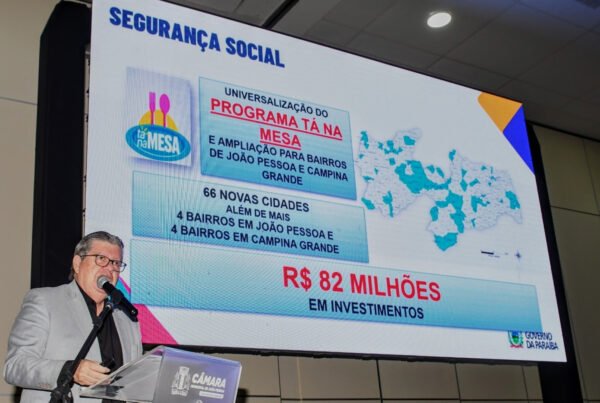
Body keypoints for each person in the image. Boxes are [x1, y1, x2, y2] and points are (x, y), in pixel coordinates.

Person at [3, 231, 142, 402]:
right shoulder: (45, 301)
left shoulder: (128, 320)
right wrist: (68, 370)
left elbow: (136, 382)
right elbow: (15, 366)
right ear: (77, 263)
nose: (110, 268)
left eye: (116, 263)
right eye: (101, 259)